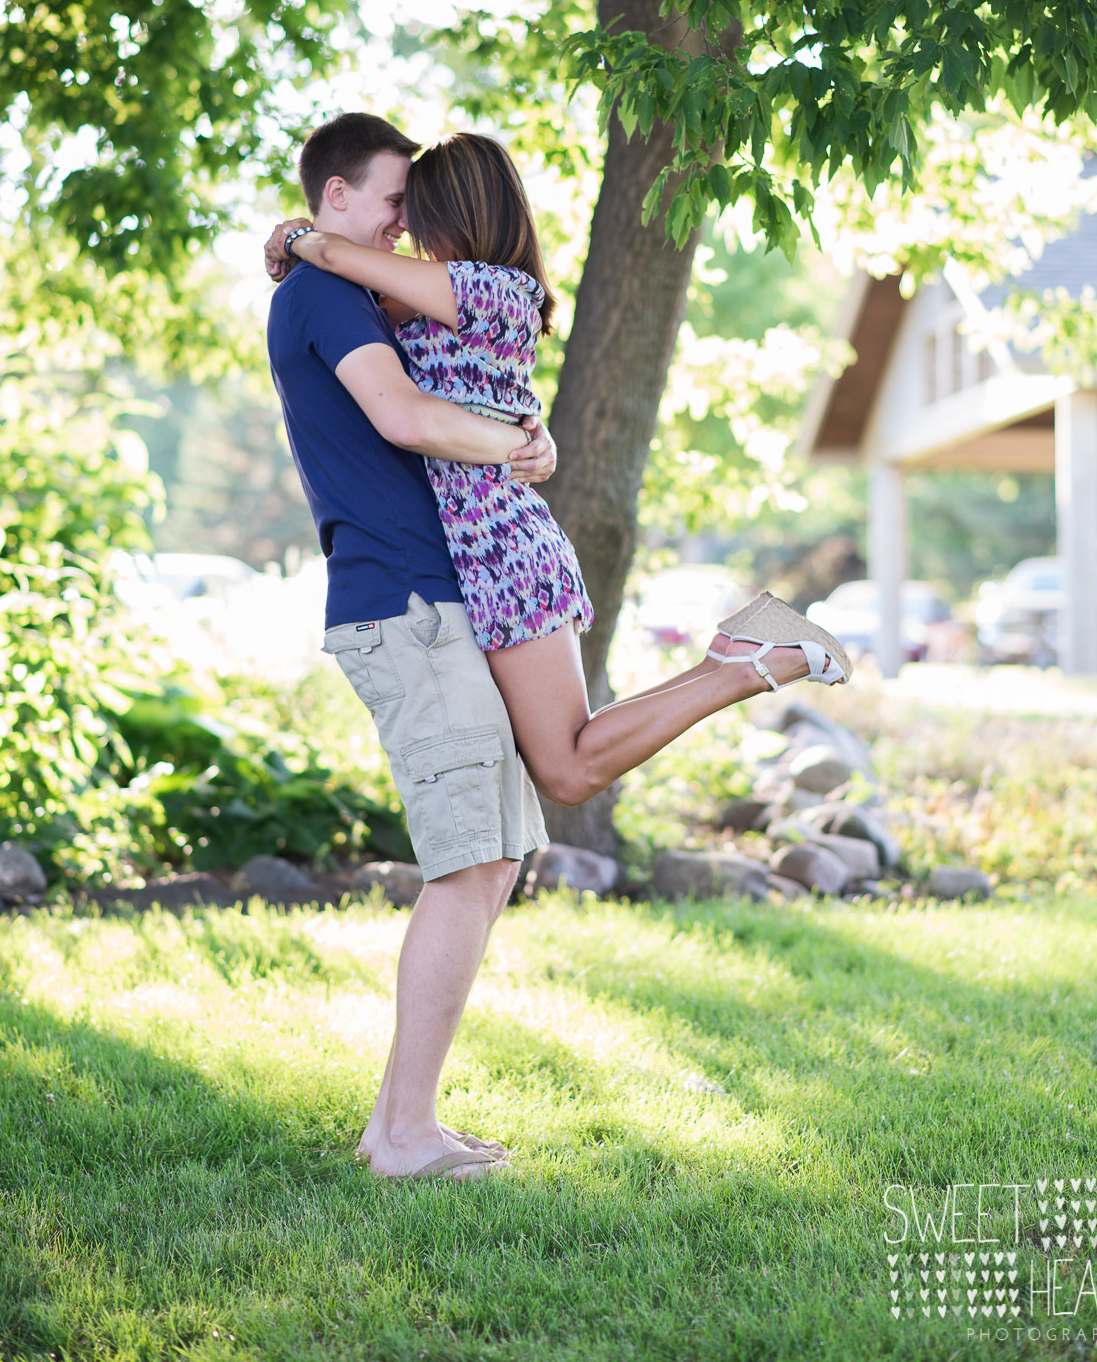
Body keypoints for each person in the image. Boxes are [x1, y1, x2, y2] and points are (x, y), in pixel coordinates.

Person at [266, 130, 851, 826]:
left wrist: (297, 237)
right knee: (567, 756)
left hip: (503, 550)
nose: (404, 225)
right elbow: (353, 301)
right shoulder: (435, 296)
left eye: (413, 208)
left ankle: (751, 665)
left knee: (568, 770)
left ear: (455, 209)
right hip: (478, 554)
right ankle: (735, 655)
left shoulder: (490, 290)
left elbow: (335, 256)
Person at [266, 113, 558, 1185]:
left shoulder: (356, 284)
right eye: (393, 204)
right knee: (467, 864)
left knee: (490, 862)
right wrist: (522, 445)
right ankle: (405, 1138)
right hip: (405, 606)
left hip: (439, 600)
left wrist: (526, 434)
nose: (407, 227)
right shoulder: (322, 292)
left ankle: (398, 1123)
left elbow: (462, 375)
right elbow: (401, 415)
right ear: (334, 198)